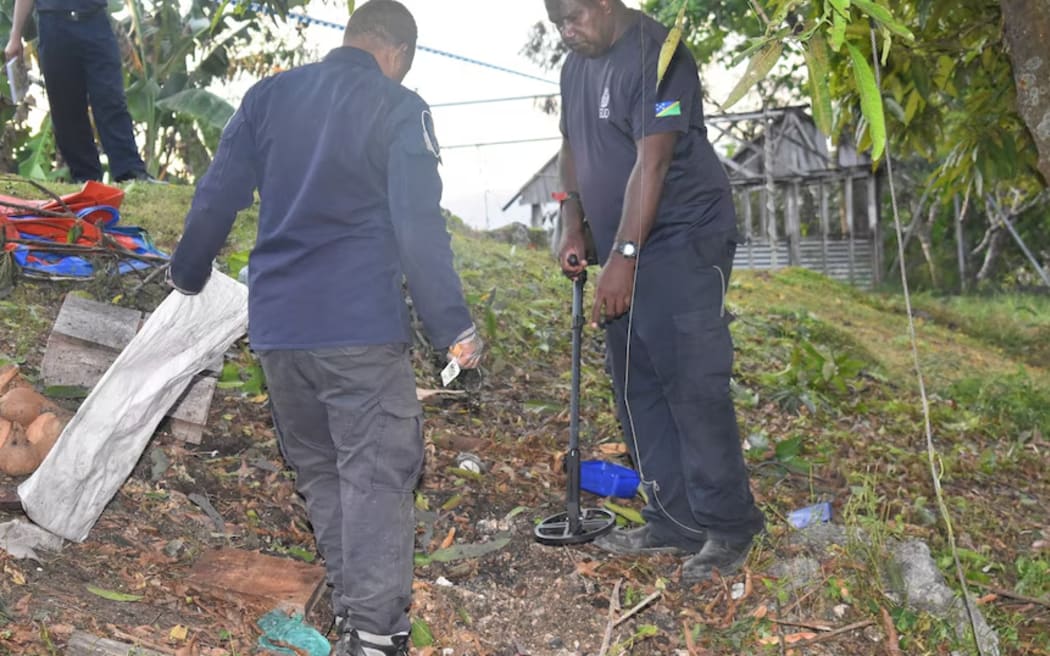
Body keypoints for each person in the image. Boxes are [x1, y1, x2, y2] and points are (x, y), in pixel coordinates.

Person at [167, 2, 483, 654]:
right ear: (398, 53)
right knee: (376, 474)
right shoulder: (399, 108)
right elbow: (418, 225)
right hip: (358, 326)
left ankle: (362, 617)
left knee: (327, 476)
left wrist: (187, 274)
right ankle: (372, 634)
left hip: (280, 334)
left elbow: (217, 194)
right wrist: (451, 323)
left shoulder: (267, 97)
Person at [543, 0, 765, 584]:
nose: (567, 33)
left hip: (682, 239)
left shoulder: (659, 55)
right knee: (635, 385)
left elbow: (655, 161)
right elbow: (571, 145)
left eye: (574, 17)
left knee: (691, 383)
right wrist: (574, 225)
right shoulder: (575, 67)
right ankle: (673, 520)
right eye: (556, 24)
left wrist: (624, 257)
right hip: (622, 244)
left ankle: (728, 527)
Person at [4, 0, 150, 182]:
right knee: (66, 107)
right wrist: (15, 36)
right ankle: (86, 179)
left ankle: (130, 172)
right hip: (53, 25)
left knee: (110, 98)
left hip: (95, 20)